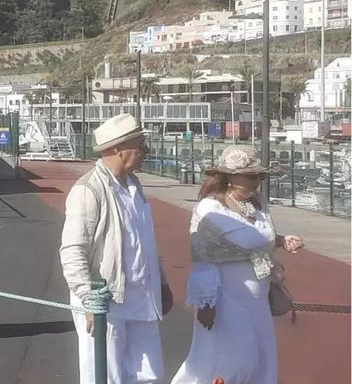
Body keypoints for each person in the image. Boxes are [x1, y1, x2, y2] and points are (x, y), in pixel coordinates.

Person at [171, 146, 305, 384]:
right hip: (227, 299)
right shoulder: (210, 209)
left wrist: (282, 241)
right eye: (251, 176)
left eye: (260, 176)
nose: (258, 181)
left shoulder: (257, 204)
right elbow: (204, 258)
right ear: (230, 177)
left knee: (259, 357)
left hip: (256, 301)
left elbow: (259, 238)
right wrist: (206, 303)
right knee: (231, 360)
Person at [60, 113, 173, 384]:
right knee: (105, 375)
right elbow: (73, 250)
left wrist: (163, 283)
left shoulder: (134, 186)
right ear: (117, 149)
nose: (146, 151)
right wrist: (89, 299)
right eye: (140, 145)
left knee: (148, 375)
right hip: (106, 301)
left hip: (141, 297)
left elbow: (144, 241)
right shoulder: (88, 189)